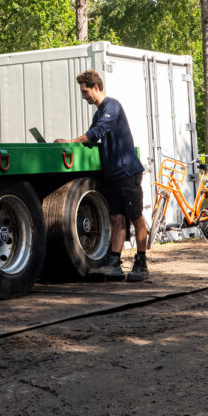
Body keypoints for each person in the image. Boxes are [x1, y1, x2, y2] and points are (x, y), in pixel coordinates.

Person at [55, 69, 149, 282]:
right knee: (116, 218)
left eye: (85, 92)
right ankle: (114, 264)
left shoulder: (112, 106)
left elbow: (96, 133)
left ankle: (141, 264)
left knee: (135, 217)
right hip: (113, 175)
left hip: (128, 172)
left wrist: (71, 142)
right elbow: (92, 137)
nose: (83, 96)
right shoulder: (99, 114)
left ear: (95, 88)